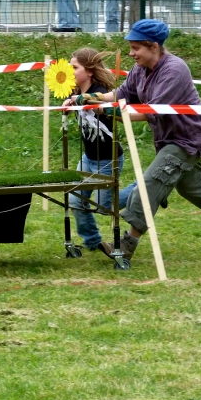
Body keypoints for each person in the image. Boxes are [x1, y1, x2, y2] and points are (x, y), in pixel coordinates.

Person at [67, 19, 201, 264]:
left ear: (153, 46)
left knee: (149, 183)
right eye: (130, 47)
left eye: (136, 48)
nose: (131, 53)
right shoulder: (140, 69)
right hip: (167, 138)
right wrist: (89, 99)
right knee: (189, 185)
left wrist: (109, 112)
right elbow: (120, 95)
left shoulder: (174, 70)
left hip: (187, 138)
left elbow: (150, 112)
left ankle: (126, 245)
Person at [62, 48, 137, 251]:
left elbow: (119, 114)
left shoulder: (101, 91)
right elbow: (71, 101)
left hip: (108, 158)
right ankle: (93, 242)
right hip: (87, 157)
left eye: (74, 68)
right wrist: (68, 104)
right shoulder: (74, 91)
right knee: (75, 200)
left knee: (105, 206)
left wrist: (100, 106)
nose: (70, 71)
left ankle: (145, 188)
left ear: (89, 71)